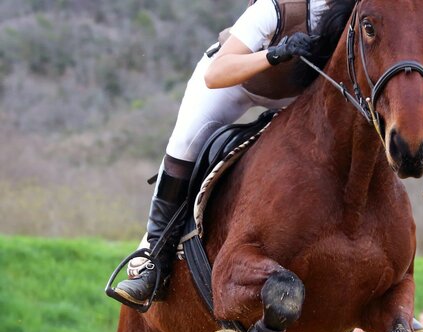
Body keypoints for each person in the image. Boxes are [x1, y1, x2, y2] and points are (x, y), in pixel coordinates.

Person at [111, 0, 334, 306]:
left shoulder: (351, 12)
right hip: (233, 83)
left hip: (294, 99)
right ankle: (152, 259)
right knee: (184, 147)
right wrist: (274, 54)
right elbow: (217, 74)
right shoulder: (273, 9)